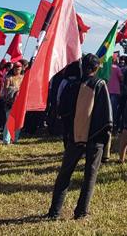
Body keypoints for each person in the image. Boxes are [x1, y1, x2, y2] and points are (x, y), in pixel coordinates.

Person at [46, 53, 112, 220]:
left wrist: (69, 133)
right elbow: (106, 116)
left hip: (75, 136)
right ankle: (81, 211)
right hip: (95, 137)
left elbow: (63, 111)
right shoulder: (99, 84)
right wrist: (105, 140)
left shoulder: (72, 85)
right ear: (97, 68)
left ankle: (54, 211)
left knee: (65, 173)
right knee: (90, 175)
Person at [1, 62, 24, 144]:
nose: (17, 69)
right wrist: (14, 91)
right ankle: (6, 140)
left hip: (20, 102)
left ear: (21, 68)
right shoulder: (9, 78)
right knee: (9, 121)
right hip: (10, 103)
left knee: (19, 121)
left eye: (19, 67)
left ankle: (15, 139)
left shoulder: (23, 78)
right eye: (15, 67)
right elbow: (5, 90)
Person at [107, 56, 123, 131]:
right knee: (114, 110)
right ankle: (113, 126)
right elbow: (121, 78)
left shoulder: (105, 67)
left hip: (107, 90)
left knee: (107, 109)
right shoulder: (117, 68)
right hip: (115, 91)